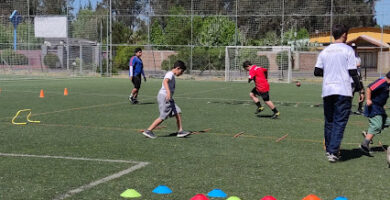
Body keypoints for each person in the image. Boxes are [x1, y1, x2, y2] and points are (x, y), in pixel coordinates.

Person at [314, 24, 362, 163]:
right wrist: (360, 88)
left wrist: (329, 72)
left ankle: (330, 149)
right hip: (343, 90)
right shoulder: (348, 50)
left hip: (328, 90)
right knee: (340, 122)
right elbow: (353, 72)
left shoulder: (325, 51)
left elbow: (317, 72)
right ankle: (333, 152)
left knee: (329, 121)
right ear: (344, 35)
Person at [142, 60, 191, 139]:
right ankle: (148, 130)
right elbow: (165, 81)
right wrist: (168, 92)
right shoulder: (170, 74)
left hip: (169, 98)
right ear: (178, 68)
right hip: (164, 97)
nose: (181, 73)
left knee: (177, 112)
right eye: (181, 71)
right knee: (163, 116)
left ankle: (180, 131)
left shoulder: (171, 75)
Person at [359, 72, 390, 154]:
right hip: (373, 106)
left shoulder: (387, 84)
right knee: (377, 125)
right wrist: (368, 99)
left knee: (387, 122)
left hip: (379, 107)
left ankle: (368, 133)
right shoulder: (382, 81)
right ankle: (364, 144)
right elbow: (369, 88)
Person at [350, 43, 365, 115]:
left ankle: (360, 109)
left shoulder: (358, 57)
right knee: (351, 94)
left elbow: (359, 69)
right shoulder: (349, 57)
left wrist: (361, 77)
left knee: (362, 93)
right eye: (352, 47)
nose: (353, 49)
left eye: (354, 47)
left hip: (358, 77)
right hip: (352, 78)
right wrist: (356, 65)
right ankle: (348, 110)